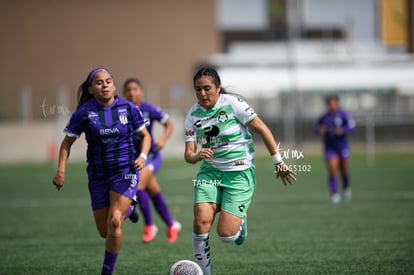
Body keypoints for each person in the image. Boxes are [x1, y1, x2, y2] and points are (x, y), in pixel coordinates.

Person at [184, 67, 296, 275]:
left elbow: (263, 129)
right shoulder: (192, 115)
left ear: (217, 88)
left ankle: (241, 220)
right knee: (200, 224)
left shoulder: (233, 105)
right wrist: (196, 156)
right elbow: (188, 154)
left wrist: (278, 162)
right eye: (197, 89)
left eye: (207, 88)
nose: (202, 94)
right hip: (209, 174)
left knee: (226, 235)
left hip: (239, 174)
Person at [52, 68, 151, 275]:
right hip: (98, 176)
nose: (105, 85)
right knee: (104, 231)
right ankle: (130, 209)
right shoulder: (84, 113)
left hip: (125, 171)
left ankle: (106, 272)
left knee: (115, 221)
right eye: (99, 82)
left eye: (108, 81)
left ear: (114, 86)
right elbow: (66, 142)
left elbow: (146, 136)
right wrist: (61, 170)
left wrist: (142, 156)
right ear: (91, 88)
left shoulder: (129, 108)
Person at [123, 78, 182, 243]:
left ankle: (149, 225)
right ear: (124, 93)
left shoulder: (149, 110)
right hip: (134, 160)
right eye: (128, 89)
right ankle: (171, 224)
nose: (132, 92)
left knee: (139, 184)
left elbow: (169, 124)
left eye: (135, 89)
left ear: (141, 91)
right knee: (153, 192)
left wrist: (162, 140)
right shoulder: (122, 111)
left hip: (151, 157)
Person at [316, 95, 355, 204]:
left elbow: (352, 128)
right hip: (330, 148)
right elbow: (316, 128)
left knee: (344, 169)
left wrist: (343, 130)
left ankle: (346, 188)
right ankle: (334, 194)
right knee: (333, 170)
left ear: (337, 103)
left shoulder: (343, 115)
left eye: (333, 103)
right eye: (329, 103)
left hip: (342, 147)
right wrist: (320, 130)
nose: (332, 105)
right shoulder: (324, 117)